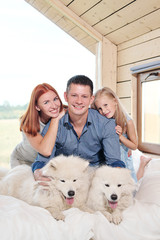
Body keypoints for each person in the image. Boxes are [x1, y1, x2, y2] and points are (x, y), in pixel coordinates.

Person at [32, 75, 126, 181]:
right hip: (66, 178)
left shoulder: (106, 124)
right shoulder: (54, 125)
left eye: (84, 97)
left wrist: (118, 174)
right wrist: (38, 172)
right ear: (66, 97)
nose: (79, 101)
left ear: (91, 99)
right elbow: (42, 161)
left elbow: (114, 162)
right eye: (74, 95)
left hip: (95, 177)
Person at [91, 87, 151, 181]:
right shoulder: (103, 122)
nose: (104, 111)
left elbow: (134, 146)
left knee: (132, 186)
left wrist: (120, 137)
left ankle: (142, 163)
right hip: (109, 161)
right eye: (100, 108)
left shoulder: (127, 122)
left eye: (106, 105)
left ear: (115, 101)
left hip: (124, 160)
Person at [10, 83, 65, 168]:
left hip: (45, 163)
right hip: (23, 161)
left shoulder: (65, 112)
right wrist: (55, 119)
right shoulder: (28, 122)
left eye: (55, 99)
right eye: (46, 102)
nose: (54, 106)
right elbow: (46, 151)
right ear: (37, 107)